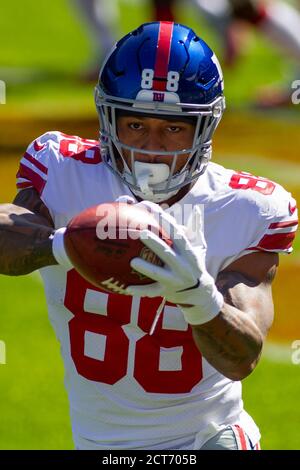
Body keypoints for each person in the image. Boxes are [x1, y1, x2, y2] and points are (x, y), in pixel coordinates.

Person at [0, 21, 298, 450]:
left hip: (206, 440)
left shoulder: (248, 209)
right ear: (108, 119)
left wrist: (197, 295)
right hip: (95, 442)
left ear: (204, 128)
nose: (153, 148)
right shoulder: (63, 171)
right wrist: (66, 245)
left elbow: (243, 355)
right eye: (135, 125)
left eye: (173, 127)